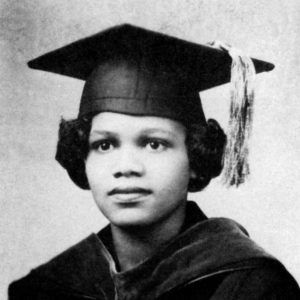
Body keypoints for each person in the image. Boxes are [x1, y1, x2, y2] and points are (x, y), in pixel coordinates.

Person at [9, 24, 300, 299]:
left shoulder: (253, 288)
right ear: (81, 157)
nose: (126, 166)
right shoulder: (47, 289)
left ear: (196, 157)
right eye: (104, 145)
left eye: (154, 144)